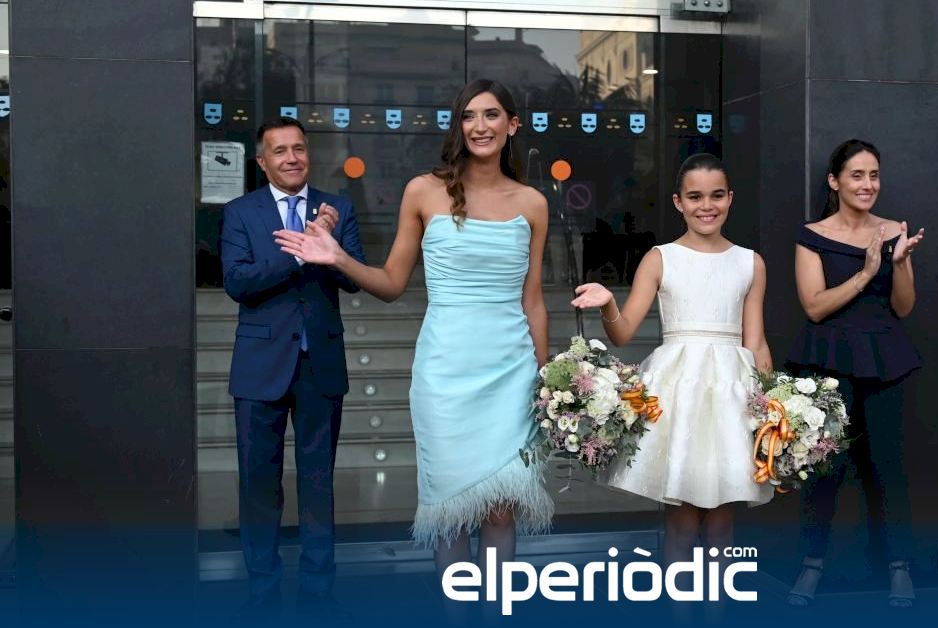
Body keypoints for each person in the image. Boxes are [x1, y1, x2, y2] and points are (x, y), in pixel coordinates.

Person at [274, 79, 553, 581]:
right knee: (450, 513)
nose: (480, 126)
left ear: (512, 125)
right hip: (444, 373)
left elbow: (532, 300)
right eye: (469, 116)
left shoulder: (533, 203)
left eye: (491, 115)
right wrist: (337, 258)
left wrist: (545, 379)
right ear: (458, 126)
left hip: (512, 374)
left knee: (500, 511)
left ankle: (496, 612)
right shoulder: (423, 191)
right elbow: (390, 284)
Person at [570, 153, 773, 566]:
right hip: (677, 392)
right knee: (681, 520)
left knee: (723, 521)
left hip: (731, 395)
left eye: (717, 195)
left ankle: (717, 600)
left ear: (730, 198)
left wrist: (773, 408)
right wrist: (609, 303)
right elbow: (623, 331)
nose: (706, 206)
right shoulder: (660, 257)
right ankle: (680, 601)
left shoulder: (750, 262)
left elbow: (756, 341)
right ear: (679, 202)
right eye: (695, 197)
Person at [220, 116, 364, 619]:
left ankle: (318, 592)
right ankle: (262, 591)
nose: (291, 158)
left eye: (298, 148)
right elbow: (238, 282)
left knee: (318, 482)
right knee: (259, 485)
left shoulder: (337, 209)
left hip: (319, 363)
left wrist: (330, 247)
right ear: (262, 162)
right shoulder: (241, 212)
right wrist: (303, 251)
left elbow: (353, 280)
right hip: (260, 366)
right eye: (279, 151)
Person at [784, 139, 925, 608]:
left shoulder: (894, 231)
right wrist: (866, 274)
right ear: (835, 181)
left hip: (885, 358)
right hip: (829, 359)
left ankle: (900, 568)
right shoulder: (812, 235)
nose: (868, 184)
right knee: (825, 466)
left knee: (888, 466)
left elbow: (904, 306)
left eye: (874, 175)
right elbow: (814, 306)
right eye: (857, 175)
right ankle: (812, 564)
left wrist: (898, 264)